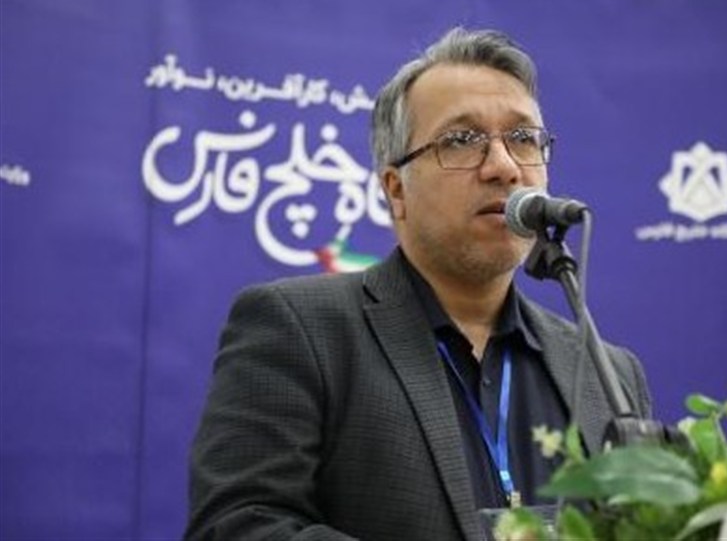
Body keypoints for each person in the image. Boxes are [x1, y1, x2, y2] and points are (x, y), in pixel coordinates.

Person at [185, 27, 652, 541]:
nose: (503, 167)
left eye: (523, 139)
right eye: (462, 140)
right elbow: (237, 526)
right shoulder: (302, 330)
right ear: (396, 190)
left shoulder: (609, 373)